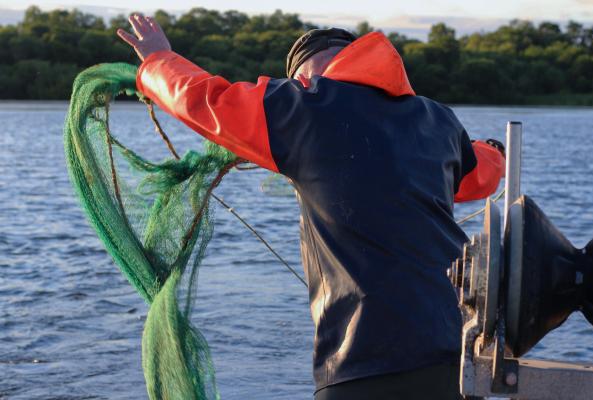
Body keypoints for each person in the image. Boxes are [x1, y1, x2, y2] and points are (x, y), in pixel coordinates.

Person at [118, 14, 505, 400]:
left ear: (305, 74)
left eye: (298, 78)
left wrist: (157, 60)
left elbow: (206, 100)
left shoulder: (304, 109)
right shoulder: (437, 120)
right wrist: (495, 151)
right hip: (456, 354)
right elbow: (475, 178)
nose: (300, 84)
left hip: (361, 365)